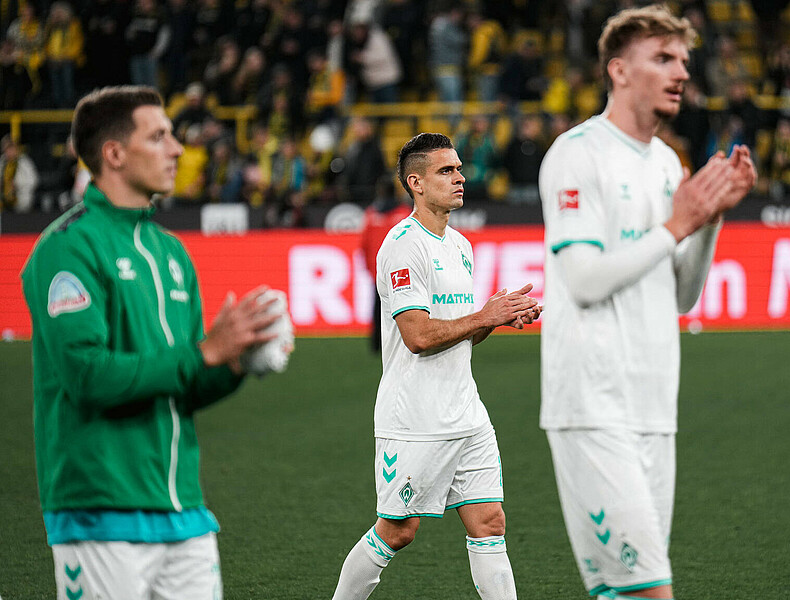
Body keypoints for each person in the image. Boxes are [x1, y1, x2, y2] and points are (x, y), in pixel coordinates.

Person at [20, 86, 289, 600]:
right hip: (100, 508)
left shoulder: (171, 253)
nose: (177, 150)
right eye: (159, 136)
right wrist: (206, 352)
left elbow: (183, 384)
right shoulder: (66, 248)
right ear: (115, 154)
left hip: (183, 510)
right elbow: (88, 378)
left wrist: (236, 362)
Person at [538, 6, 756, 600]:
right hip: (592, 405)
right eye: (662, 58)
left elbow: (681, 294)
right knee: (646, 594)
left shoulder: (665, 163)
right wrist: (678, 223)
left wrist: (706, 221)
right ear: (619, 70)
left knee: (627, 592)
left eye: (683, 60)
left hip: (655, 408)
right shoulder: (576, 154)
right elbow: (581, 281)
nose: (681, 71)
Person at [330, 133, 541, 600]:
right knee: (398, 530)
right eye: (446, 171)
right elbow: (419, 336)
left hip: (466, 410)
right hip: (416, 418)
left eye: (459, 168)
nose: (460, 177)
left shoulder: (461, 246)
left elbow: (462, 331)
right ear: (416, 183)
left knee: (489, 522)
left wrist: (497, 315)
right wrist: (485, 315)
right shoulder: (403, 246)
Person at [359, 175, 412, 352]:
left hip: (378, 271)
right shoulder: (404, 213)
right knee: (404, 307)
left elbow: (364, 245)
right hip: (401, 271)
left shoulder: (371, 214)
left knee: (378, 307)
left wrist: (369, 269)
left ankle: (376, 343)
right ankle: (403, 342)